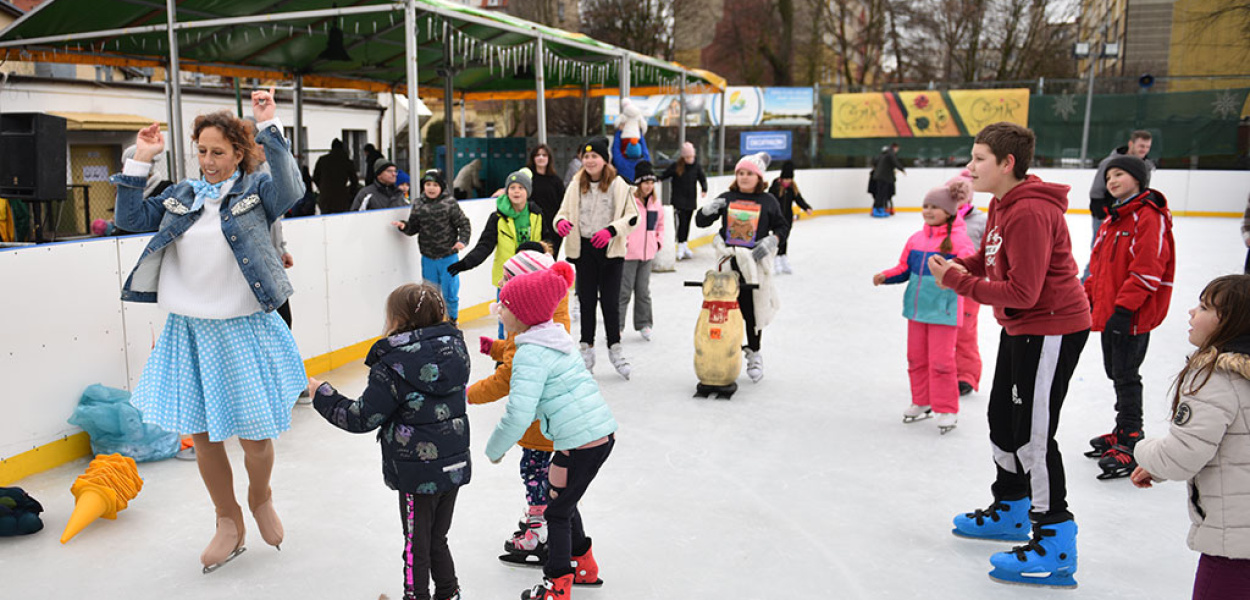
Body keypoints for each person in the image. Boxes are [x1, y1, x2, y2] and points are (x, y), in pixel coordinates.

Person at [110, 88, 306, 572]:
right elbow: (128, 219)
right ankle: (228, 519)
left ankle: (260, 497)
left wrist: (269, 125)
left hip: (242, 328)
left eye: (219, 152)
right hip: (190, 331)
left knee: (257, 440)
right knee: (203, 438)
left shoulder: (255, 191)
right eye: (201, 151)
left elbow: (291, 190)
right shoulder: (180, 195)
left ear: (239, 153)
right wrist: (141, 159)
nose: (209, 160)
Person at [928, 122, 1091, 588]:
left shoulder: (1031, 213)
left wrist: (957, 281)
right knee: (1003, 421)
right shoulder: (1003, 204)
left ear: (1007, 164)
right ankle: (1013, 506)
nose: (969, 166)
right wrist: (961, 266)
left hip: (1051, 328)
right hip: (1022, 328)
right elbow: (994, 262)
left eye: (979, 158)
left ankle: (1055, 538)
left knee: (1034, 437)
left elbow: (1022, 291)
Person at [308, 283, 470, 600]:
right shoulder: (456, 352)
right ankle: (448, 593)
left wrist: (323, 395)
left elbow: (361, 417)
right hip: (454, 463)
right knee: (437, 537)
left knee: (416, 544)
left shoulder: (392, 365)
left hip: (418, 472)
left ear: (397, 319)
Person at [485, 262, 617, 600]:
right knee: (558, 496)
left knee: (556, 511)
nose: (500, 310)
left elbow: (518, 413)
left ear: (523, 315)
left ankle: (557, 586)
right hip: (586, 437)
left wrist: (494, 448)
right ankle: (584, 566)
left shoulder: (531, 353)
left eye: (505, 305)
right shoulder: (555, 338)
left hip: (584, 441)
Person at [1131, 274, 1250, 600]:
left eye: (1203, 306)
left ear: (1228, 321)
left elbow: (1181, 458)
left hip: (1236, 549)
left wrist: (1141, 450)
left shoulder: (1216, 378)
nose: (1191, 313)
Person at [467, 243, 570, 567]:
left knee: (536, 473)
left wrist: (467, 395)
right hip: (547, 420)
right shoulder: (535, 317)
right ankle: (540, 522)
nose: (502, 291)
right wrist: (493, 348)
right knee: (539, 473)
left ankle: (538, 532)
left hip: (541, 423)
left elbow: (508, 376)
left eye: (507, 284)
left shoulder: (536, 332)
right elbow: (511, 350)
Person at [1081, 155, 1176, 479]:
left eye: (1119, 174)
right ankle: (1122, 430)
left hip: (1131, 315)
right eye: (1108, 176)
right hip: (1110, 313)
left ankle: (1131, 439)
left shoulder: (1148, 216)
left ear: (1138, 178)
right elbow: (1098, 269)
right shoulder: (1113, 219)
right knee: (1115, 372)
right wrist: (1087, 299)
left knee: (1126, 374)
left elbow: (1149, 268)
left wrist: (1124, 309)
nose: (1111, 181)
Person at [873, 181, 976, 434]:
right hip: (916, 310)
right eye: (925, 206)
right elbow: (904, 269)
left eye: (935, 207)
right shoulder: (916, 239)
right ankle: (922, 401)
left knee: (942, 362)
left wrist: (954, 279)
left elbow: (970, 270)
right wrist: (886, 276)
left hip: (943, 311)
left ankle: (947, 409)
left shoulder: (958, 241)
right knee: (916, 359)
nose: (928, 211)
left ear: (950, 211)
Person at [695, 152, 790, 383]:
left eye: (749, 173)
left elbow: (782, 225)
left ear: (759, 177)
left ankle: (755, 352)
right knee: (725, 309)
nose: (744, 177)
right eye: (740, 173)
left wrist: (772, 240)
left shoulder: (768, 201)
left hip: (754, 264)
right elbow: (701, 222)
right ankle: (727, 350)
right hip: (729, 263)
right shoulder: (727, 197)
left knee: (752, 310)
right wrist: (707, 211)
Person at [554, 137, 639, 379]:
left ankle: (615, 348)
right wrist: (560, 222)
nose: (590, 160)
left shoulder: (619, 184)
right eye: (586, 156)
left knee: (610, 303)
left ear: (604, 160)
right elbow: (561, 212)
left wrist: (611, 230)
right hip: (584, 250)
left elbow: (633, 217)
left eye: (595, 156)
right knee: (587, 302)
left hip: (611, 251)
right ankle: (586, 349)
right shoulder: (575, 183)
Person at [450, 168, 544, 336]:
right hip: (506, 279)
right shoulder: (497, 218)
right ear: (507, 191)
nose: (516, 191)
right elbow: (484, 246)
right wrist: (466, 263)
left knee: (530, 323)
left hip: (532, 277)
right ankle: (503, 360)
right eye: (512, 187)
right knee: (505, 322)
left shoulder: (536, 214)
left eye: (521, 188)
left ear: (527, 191)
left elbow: (546, 242)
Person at [392, 170, 473, 323]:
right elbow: (414, 227)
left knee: (450, 293)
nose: (431, 188)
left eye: (435, 185)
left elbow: (464, 224)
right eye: (428, 184)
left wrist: (462, 241)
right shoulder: (418, 203)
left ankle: (452, 320)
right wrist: (404, 226)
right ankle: (434, 322)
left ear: (441, 187)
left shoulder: (449, 203)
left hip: (448, 258)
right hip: (428, 258)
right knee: (430, 294)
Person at [619, 161, 664, 342]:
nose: (649, 186)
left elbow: (660, 224)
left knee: (643, 291)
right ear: (638, 183)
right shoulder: (630, 202)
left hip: (647, 255)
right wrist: (626, 243)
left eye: (652, 183)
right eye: (646, 183)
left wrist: (658, 242)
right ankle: (617, 326)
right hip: (629, 254)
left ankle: (644, 324)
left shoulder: (655, 203)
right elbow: (622, 224)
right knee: (624, 292)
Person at [1088, 130, 1153, 251]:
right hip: (1107, 213)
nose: (1144, 150)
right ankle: (1091, 271)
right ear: (1131, 144)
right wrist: (1101, 214)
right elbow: (1096, 191)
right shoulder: (1110, 162)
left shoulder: (1146, 166)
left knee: (1121, 251)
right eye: (1141, 146)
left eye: (1147, 147)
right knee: (1100, 249)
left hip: (1129, 215)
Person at [952, 171, 986, 396]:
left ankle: (966, 375)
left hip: (970, 284)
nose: (958, 199)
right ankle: (942, 370)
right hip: (943, 283)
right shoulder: (942, 218)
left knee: (965, 332)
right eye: (953, 195)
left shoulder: (982, 220)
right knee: (941, 330)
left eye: (962, 194)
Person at [659, 142, 708, 261]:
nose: (690, 159)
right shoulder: (677, 166)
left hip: (691, 200)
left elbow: (702, 178)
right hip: (678, 200)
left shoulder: (696, 166)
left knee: (687, 223)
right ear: (683, 157)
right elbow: (664, 175)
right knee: (681, 223)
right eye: (687, 157)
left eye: (691, 156)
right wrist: (656, 179)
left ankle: (684, 244)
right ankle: (680, 245)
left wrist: (704, 189)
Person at [766, 161, 813, 274]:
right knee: (779, 238)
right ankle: (777, 259)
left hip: (787, 218)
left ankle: (783, 258)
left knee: (785, 238)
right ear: (781, 178)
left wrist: (806, 207)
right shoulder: (775, 187)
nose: (787, 181)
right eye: (785, 179)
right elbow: (769, 200)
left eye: (789, 179)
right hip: (776, 218)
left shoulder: (792, 187)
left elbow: (798, 199)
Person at [526, 144, 566, 256]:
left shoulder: (556, 181)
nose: (541, 158)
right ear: (533, 158)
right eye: (538, 155)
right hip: (532, 225)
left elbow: (563, 203)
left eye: (544, 155)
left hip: (552, 228)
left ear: (549, 158)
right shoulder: (528, 178)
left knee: (550, 260)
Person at [312, 138, 358, 214]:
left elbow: (315, 177)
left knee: (325, 222)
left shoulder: (323, 160)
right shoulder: (346, 161)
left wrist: (322, 188)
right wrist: (350, 193)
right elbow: (354, 180)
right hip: (341, 198)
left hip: (325, 199)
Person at [870, 143, 905, 218]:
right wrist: (901, 169)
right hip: (884, 177)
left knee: (880, 193)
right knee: (881, 194)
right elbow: (895, 162)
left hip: (880, 176)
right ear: (895, 148)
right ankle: (878, 210)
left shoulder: (883, 154)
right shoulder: (890, 153)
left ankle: (877, 209)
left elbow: (875, 162)